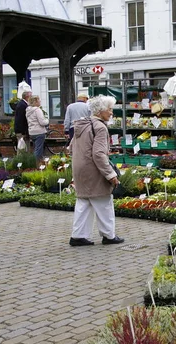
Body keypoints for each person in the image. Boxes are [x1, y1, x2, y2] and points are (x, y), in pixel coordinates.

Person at [69, 95, 124, 247]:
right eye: (109, 109)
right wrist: (111, 174)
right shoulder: (99, 127)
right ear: (100, 111)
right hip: (93, 170)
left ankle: (78, 236)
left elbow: (71, 148)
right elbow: (99, 154)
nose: (111, 113)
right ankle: (109, 235)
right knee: (104, 201)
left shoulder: (82, 125)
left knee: (84, 202)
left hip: (80, 168)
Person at [25, 95, 49, 162]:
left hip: (32, 132)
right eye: (39, 100)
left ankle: (39, 163)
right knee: (38, 150)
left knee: (36, 148)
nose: (40, 101)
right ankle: (35, 164)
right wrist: (47, 120)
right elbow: (42, 122)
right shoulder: (37, 110)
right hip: (39, 132)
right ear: (35, 102)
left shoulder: (28, 110)